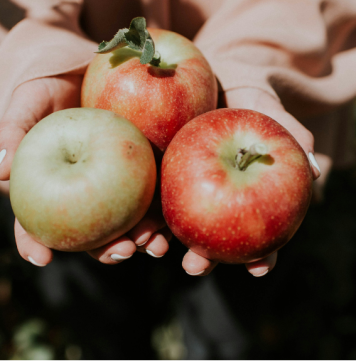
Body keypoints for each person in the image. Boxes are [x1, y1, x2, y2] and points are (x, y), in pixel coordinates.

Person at [1, 0, 355, 279]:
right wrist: (41, 55)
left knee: (229, 321)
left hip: (245, 109)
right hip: (80, 155)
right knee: (94, 304)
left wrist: (243, 72)